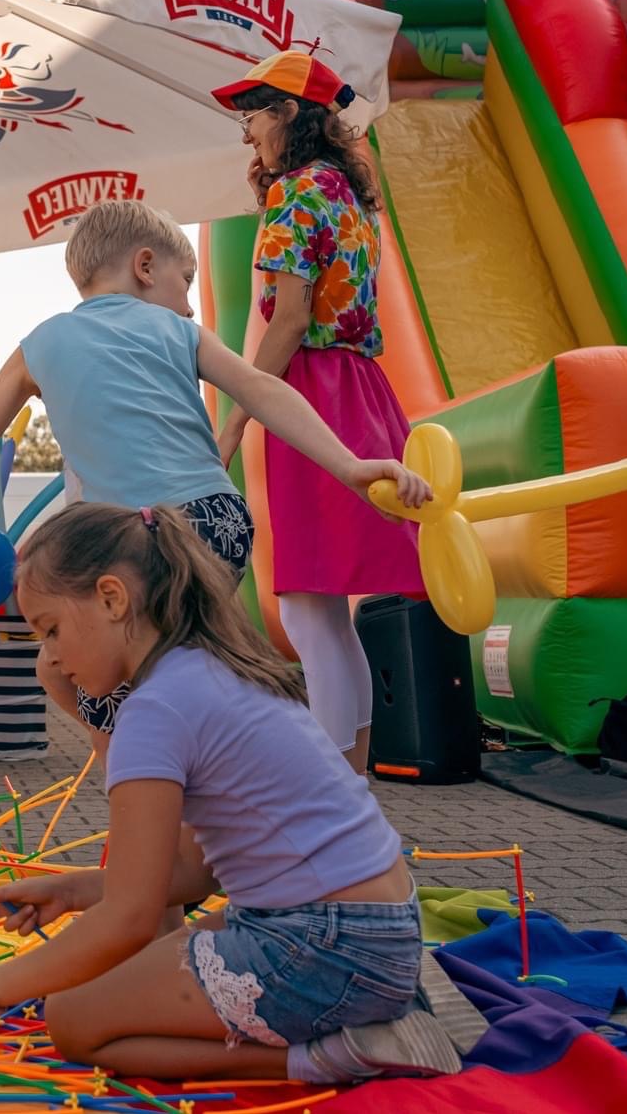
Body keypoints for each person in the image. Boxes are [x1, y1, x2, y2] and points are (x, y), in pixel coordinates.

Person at [0, 196, 431, 775]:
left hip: (138, 543)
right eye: (184, 282)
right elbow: (262, 389)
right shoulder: (176, 330)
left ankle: (150, 795)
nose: (188, 305)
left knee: (94, 677)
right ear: (144, 266)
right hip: (217, 524)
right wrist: (349, 465)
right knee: (88, 670)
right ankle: (169, 785)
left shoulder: (41, 345)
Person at [0, 503, 455, 1085]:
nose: (50, 656)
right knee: (102, 972)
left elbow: (133, 919)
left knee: (71, 1018)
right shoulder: (214, 668)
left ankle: (339, 1055)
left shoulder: (153, 712)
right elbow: (193, 873)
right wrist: (73, 889)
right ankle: (376, 1016)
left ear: (112, 598)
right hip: (382, 933)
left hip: (325, 947)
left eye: (51, 629)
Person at [213, 48, 426, 774]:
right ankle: (352, 779)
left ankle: (331, 786)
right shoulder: (346, 190)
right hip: (359, 387)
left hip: (308, 391)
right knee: (329, 609)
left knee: (310, 607)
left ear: (287, 115)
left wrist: (237, 413)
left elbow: (289, 317)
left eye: (252, 115)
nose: (246, 132)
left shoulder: (295, 192)